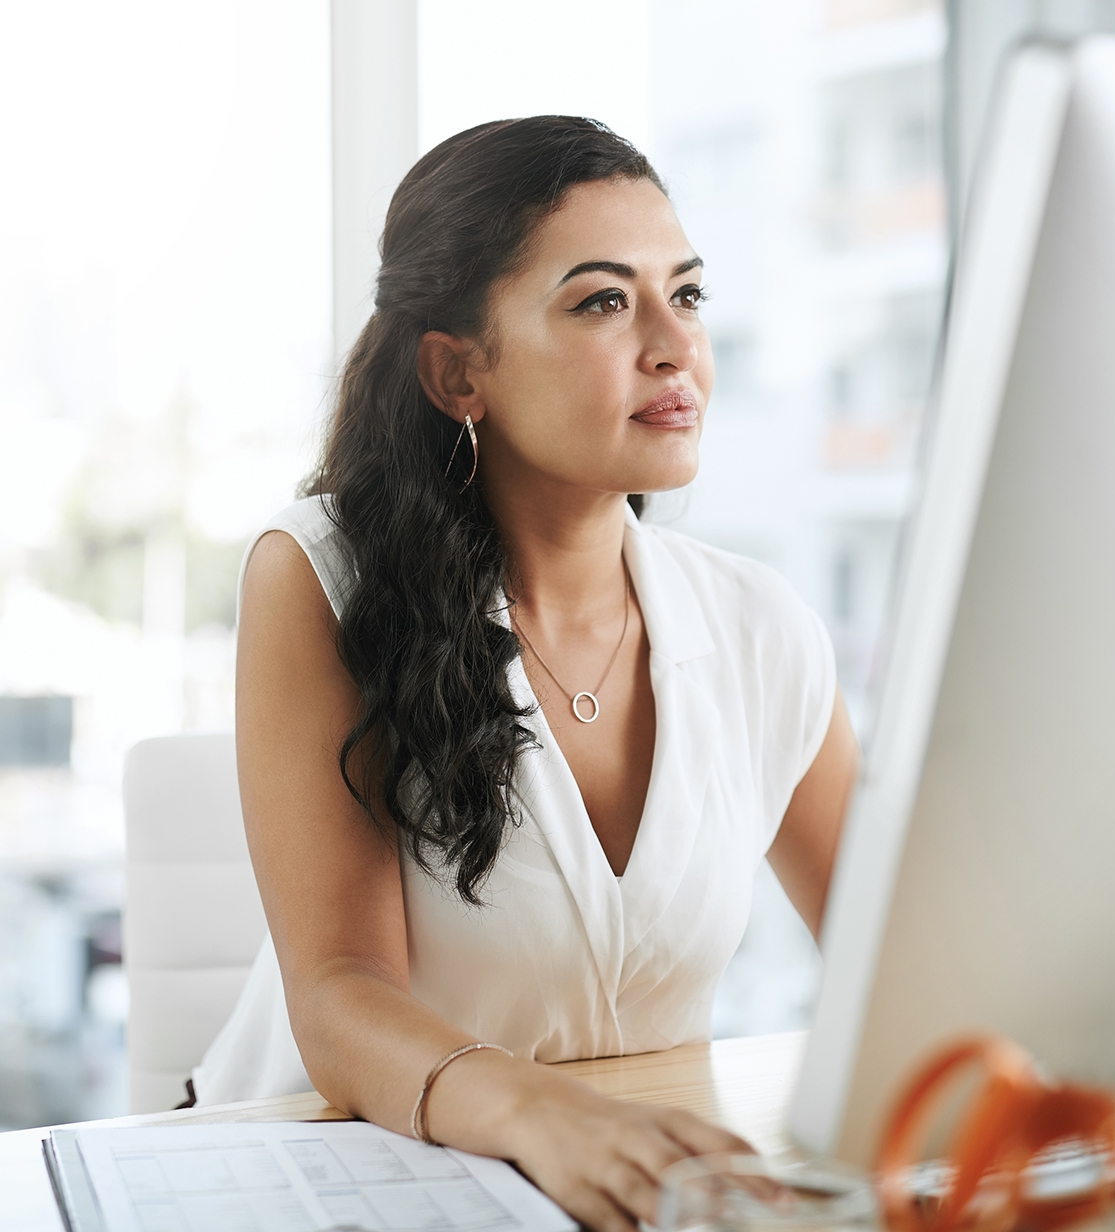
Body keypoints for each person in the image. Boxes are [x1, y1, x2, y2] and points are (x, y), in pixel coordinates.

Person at [197, 116, 859, 1232]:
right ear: (460, 371)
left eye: (685, 295)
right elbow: (339, 991)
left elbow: (900, 949)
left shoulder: (761, 626)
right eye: (603, 300)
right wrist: (538, 1111)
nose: (672, 345)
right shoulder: (319, 575)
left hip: (624, 1191)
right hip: (317, 1180)